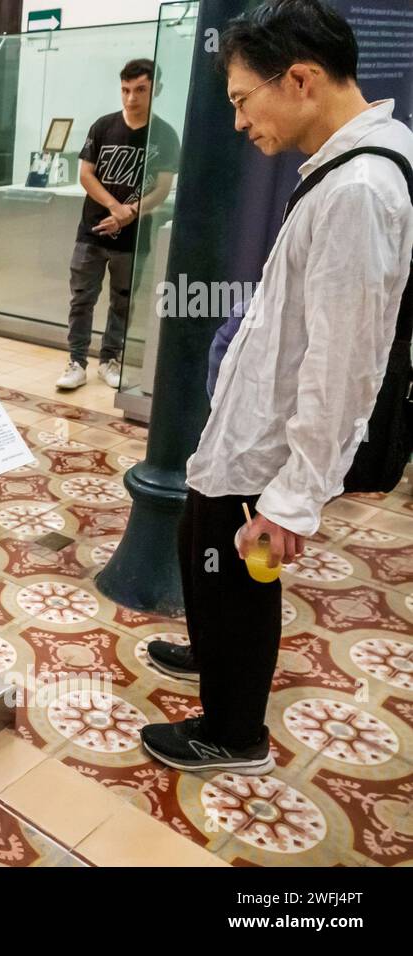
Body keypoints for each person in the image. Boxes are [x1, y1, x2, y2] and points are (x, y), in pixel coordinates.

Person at [140, 0, 413, 774]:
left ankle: (232, 732)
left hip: (275, 442)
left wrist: (294, 500)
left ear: (299, 79)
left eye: (239, 99)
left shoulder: (360, 189)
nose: (238, 122)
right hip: (256, 421)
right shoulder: (345, 170)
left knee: (234, 569)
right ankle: (213, 656)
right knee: (205, 546)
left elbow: (345, 361)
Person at [55, 59, 179, 391]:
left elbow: (163, 187)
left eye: (140, 90)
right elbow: (85, 174)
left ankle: (110, 359)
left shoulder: (165, 134)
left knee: (122, 300)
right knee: (82, 299)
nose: (131, 98)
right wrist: (115, 207)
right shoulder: (102, 126)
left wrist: (132, 212)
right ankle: (76, 361)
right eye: (125, 90)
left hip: (133, 237)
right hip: (92, 231)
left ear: (156, 90)